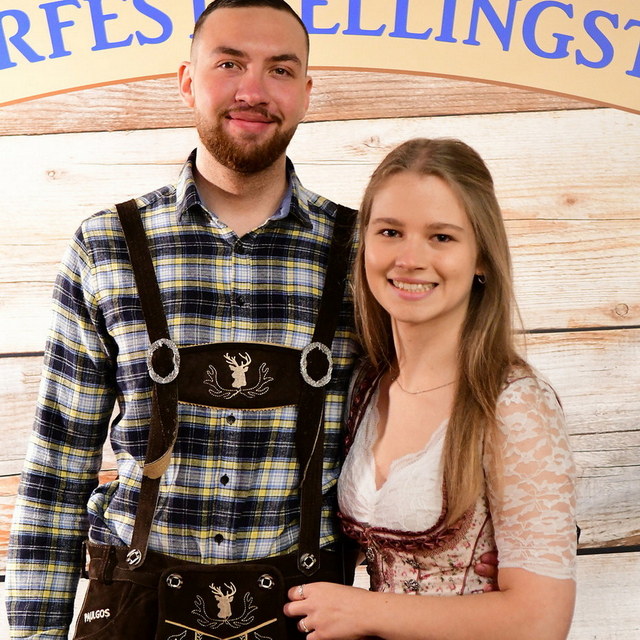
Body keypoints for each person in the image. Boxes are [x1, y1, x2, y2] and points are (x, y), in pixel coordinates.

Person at [6, 2, 497, 637]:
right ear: (188, 80)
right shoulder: (107, 245)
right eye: (230, 64)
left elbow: (440, 414)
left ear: (306, 92)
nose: (253, 91)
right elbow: (56, 471)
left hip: (306, 613)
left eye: (280, 70)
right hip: (133, 608)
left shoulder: (370, 255)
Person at [284, 138, 577, 640]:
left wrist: (365, 610)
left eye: (441, 237)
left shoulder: (512, 404)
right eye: (390, 232)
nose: (410, 258)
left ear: (481, 257)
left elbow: (541, 621)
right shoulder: (366, 386)